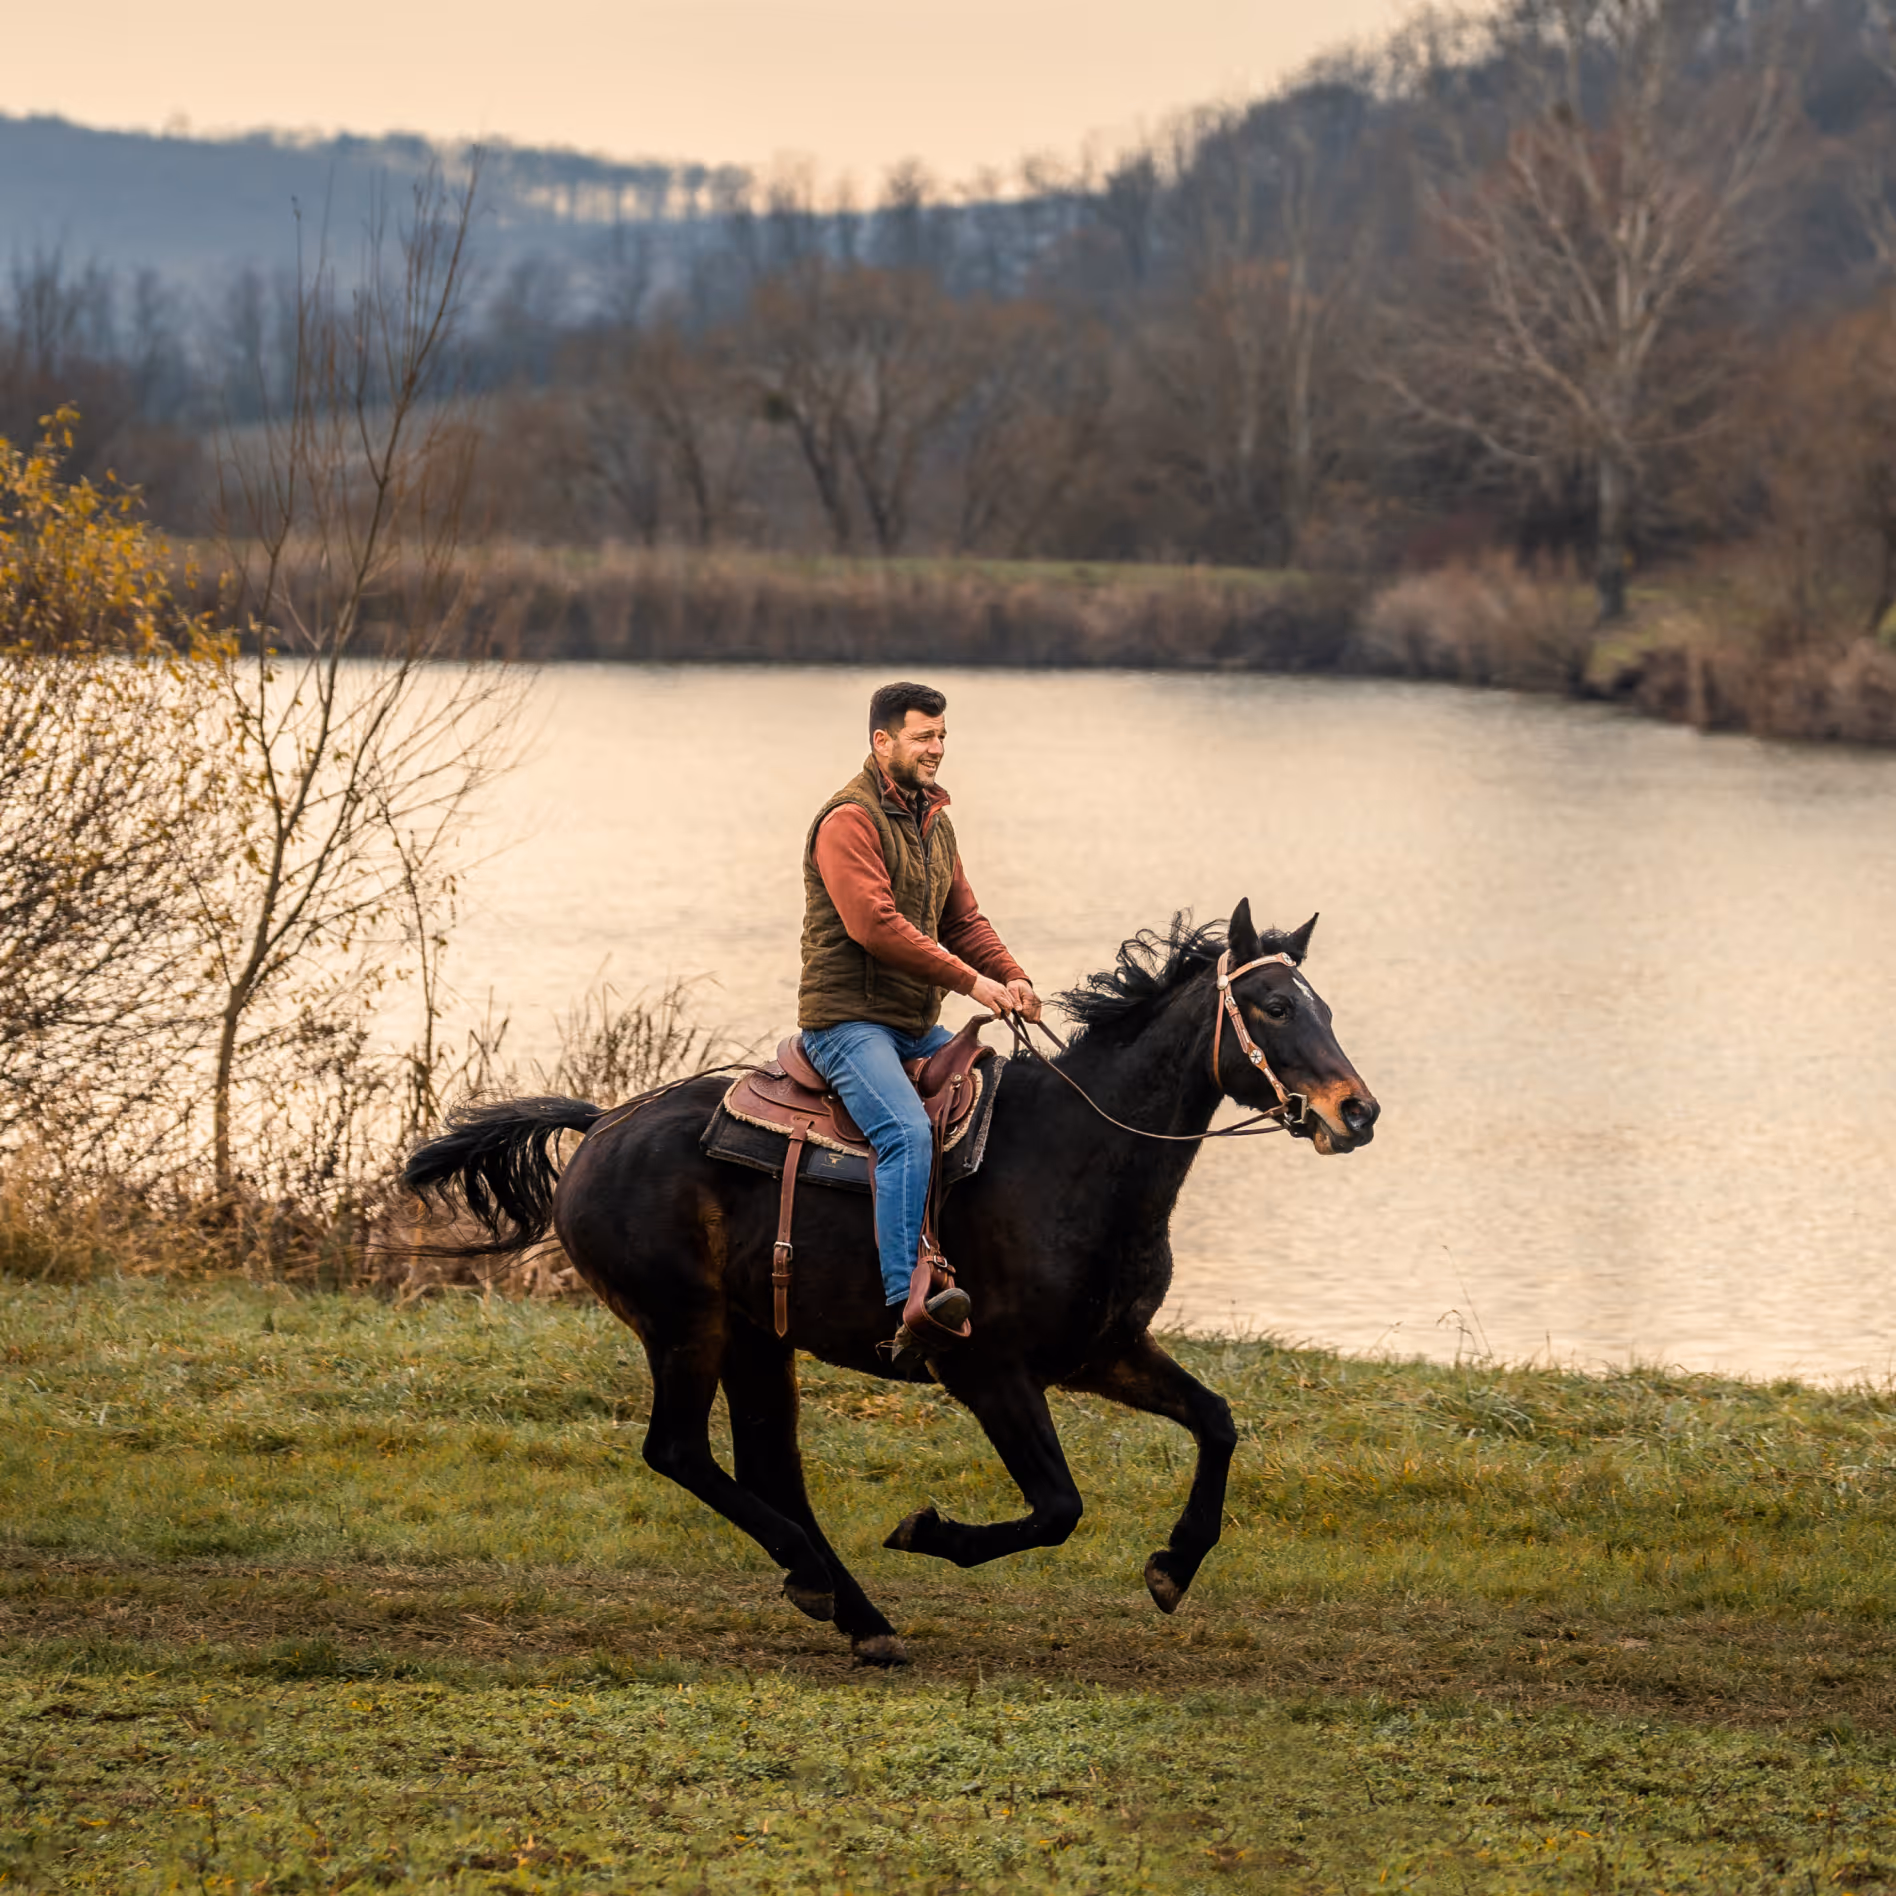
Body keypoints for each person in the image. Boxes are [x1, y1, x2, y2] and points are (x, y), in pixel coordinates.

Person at [797, 681, 1040, 1360]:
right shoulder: (848, 820)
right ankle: (910, 1305)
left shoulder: (935, 820)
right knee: (905, 1131)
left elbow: (962, 918)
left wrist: (1012, 975)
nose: (936, 749)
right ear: (882, 741)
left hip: (911, 1022)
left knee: (1007, 1098)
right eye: (922, 737)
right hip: (847, 1024)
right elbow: (875, 926)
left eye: (941, 737)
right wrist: (971, 983)